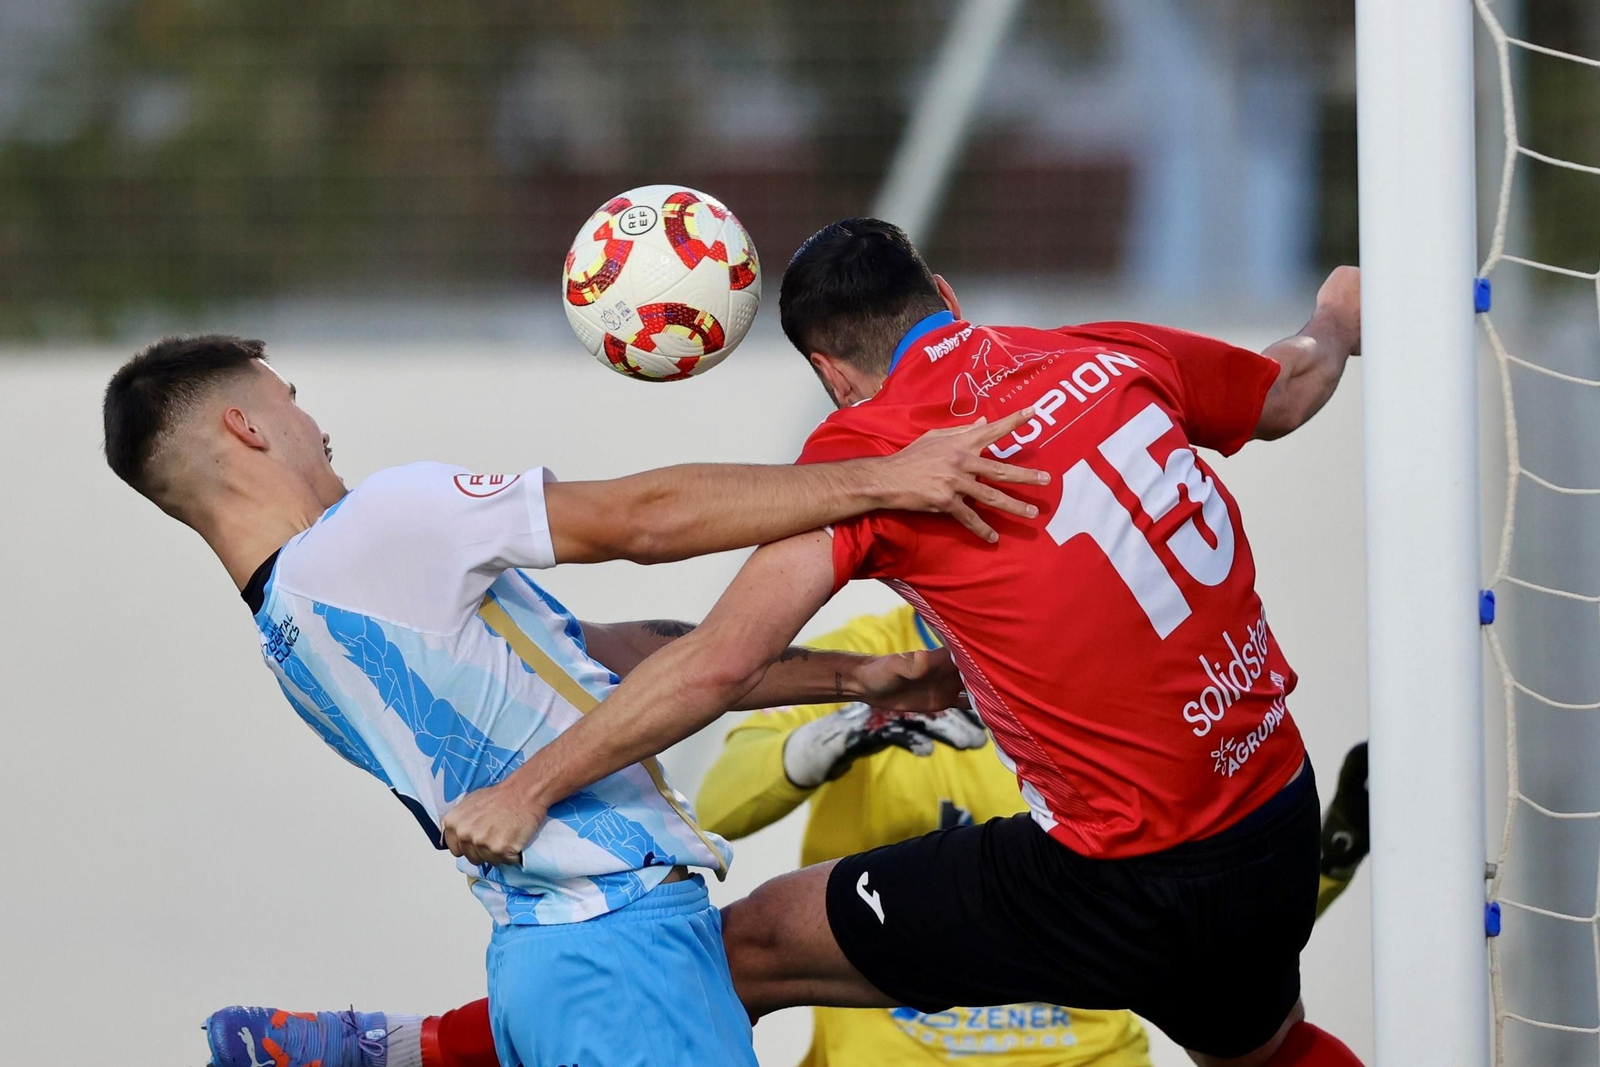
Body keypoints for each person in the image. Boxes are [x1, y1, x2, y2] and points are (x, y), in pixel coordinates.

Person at [439, 219, 1367, 1066]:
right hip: (1271, 813)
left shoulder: (872, 456)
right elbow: (1284, 391)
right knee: (1267, 1052)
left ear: (831, 376)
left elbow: (722, 661)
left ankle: (416, 1049)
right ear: (946, 294)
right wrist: (1334, 316)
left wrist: (529, 789)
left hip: (1117, 878)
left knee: (744, 947)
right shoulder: (1102, 349)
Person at [100, 334, 1048, 1067]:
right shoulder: (376, 528)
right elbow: (640, 518)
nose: (316, 424)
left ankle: (405, 1044)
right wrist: (886, 478)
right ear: (247, 429)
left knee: (781, 941)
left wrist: (856, 677)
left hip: (559, 966)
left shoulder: (297, 636)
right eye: (292, 403)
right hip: (618, 951)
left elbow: (615, 660)